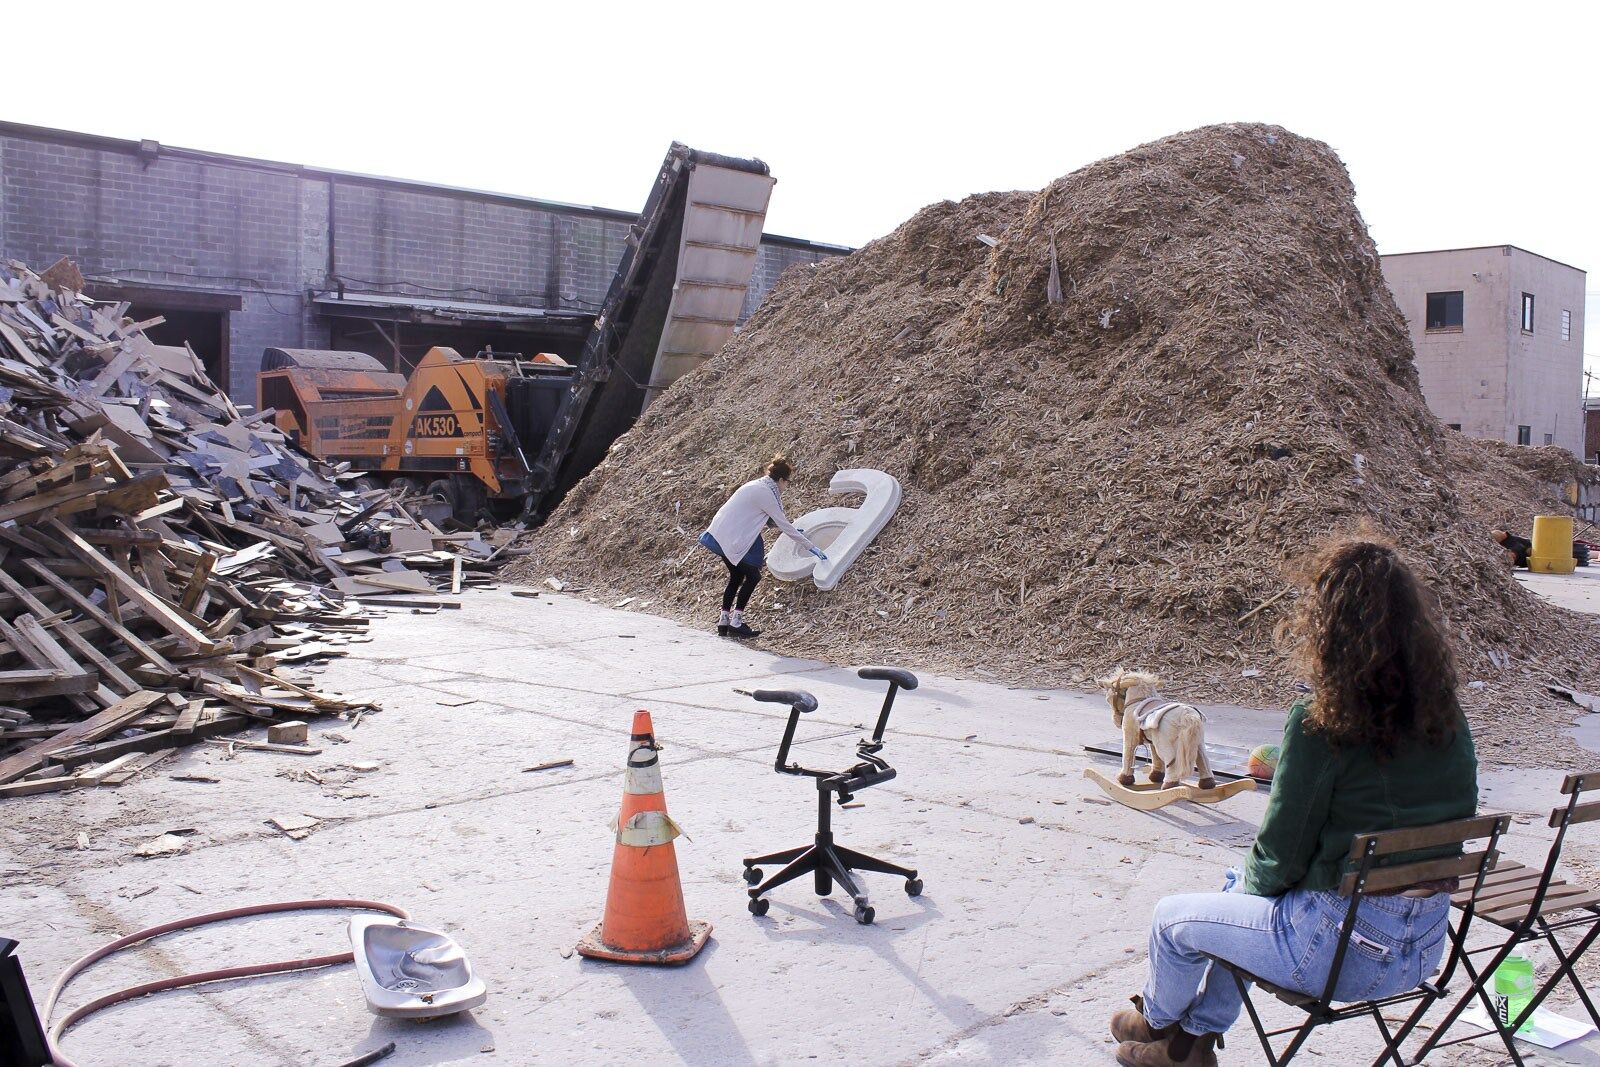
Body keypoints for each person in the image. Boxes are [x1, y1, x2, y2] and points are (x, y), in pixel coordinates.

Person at [1109, 538, 1478, 1067]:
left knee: (1173, 919)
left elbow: (1281, 853)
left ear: (1327, 629)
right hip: (1419, 949)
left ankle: (1160, 1024)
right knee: (1239, 885)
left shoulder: (1322, 721)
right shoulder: (1449, 718)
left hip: (1335, 954)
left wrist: (1258, 890)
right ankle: (1193, 1041)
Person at [698, 454, 826, 639]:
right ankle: (736, 622)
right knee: (753, 576)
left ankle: (723, 620)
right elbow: (782, 523)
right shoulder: (766, 492)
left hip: (720, 534)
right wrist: (810, 546)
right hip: (731, 537)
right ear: (781, 480)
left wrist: (792, 530)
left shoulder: (757, 485)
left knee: (736, 576)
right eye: (787, 482)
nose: (786, 487)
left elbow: (772, 520)